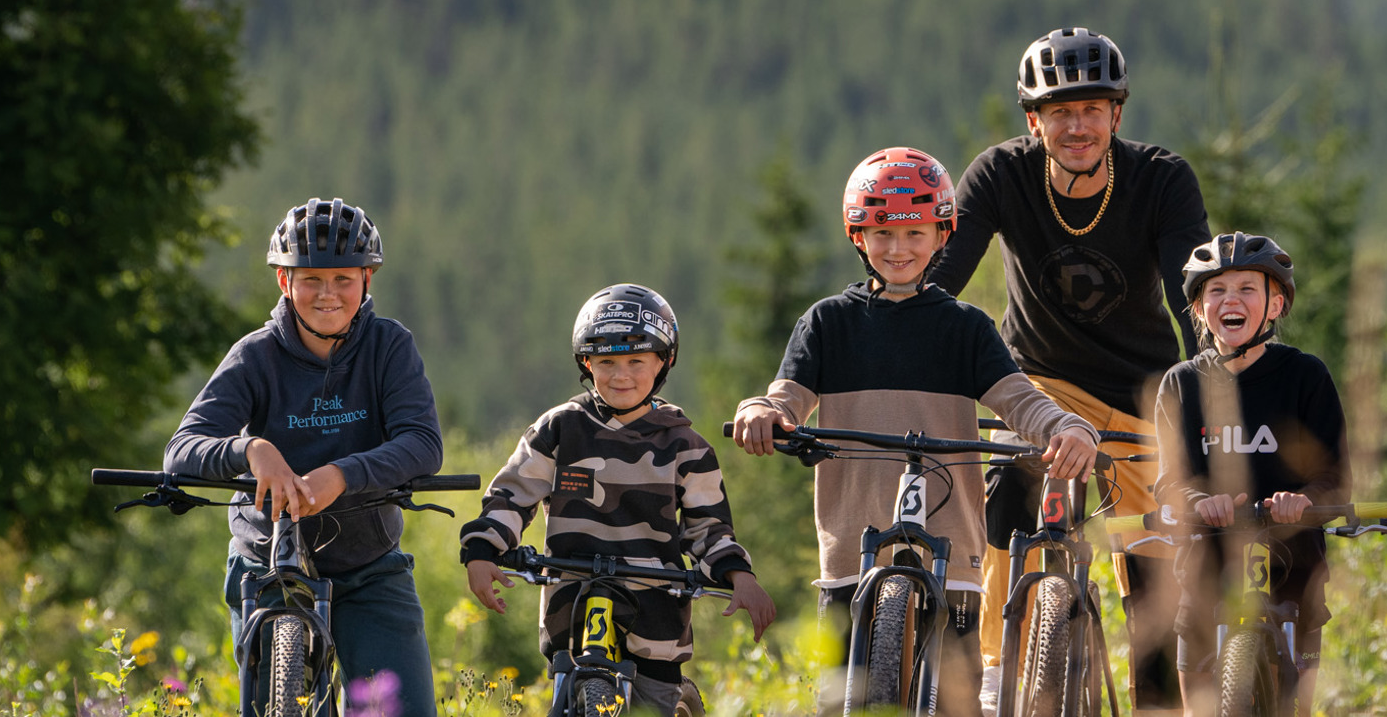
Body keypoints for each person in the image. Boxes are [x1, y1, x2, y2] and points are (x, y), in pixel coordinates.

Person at [730, 146, 1102, 716]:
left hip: (951, 551)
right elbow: (787, 398)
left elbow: (1021, 401)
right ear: (858, 236)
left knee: (956, 701)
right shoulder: (829, 323)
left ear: (941, 235)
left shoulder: (966, 328)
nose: (897, 249)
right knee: (841, 700)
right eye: (881, 233)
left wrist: (1068, 428)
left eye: (914, 233)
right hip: (853, 548)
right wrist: (761, 411)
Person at [933, 27, 1212, 711]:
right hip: (1040, 390)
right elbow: (941, 282)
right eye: (1060, 112)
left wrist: (1207, 401)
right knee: (1011, 498)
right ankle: (999, 672)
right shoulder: (1002, 174)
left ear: (1117, 113)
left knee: (1153, 590)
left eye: (1092, 109)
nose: (1077, 126)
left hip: (1144, 396)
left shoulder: (1160, 178)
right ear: (1035, 121)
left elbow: (1192, 298)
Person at [163, 198, 445, 717]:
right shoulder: (255, 356)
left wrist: (343, 474)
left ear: (367, 279)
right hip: (268, 566)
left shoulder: (388, 347)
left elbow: (423, 444)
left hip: (368, 567)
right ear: (283, 282)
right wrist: (251, 450)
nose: (327, 294)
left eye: (343, 278)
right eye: (310, 278)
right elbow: (182, 449)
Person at [459, 283, 777, 716]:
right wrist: (482, 550)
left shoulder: (684, 445)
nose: (620, 375)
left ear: (663, 362)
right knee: (565, 693)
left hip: (654, 607)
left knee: (654, 704)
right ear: (586, 362)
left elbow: (708, 526)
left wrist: (739, 576)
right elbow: (513, 494)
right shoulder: (560, 429)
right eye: (606, 361)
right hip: (571, 597)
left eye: (636, 361)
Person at [1150, 233, 1346, 714]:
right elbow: (1168, 483)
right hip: (1205, 568)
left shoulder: (1306, 376)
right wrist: (1198, 502)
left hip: (1292, 569)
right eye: (1215, 291)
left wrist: (1302, 500)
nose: (1230, 300)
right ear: (1198, 309)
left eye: (1247, 289)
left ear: (1275, 304)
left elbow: (1335, 476)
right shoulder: (1181, 383)